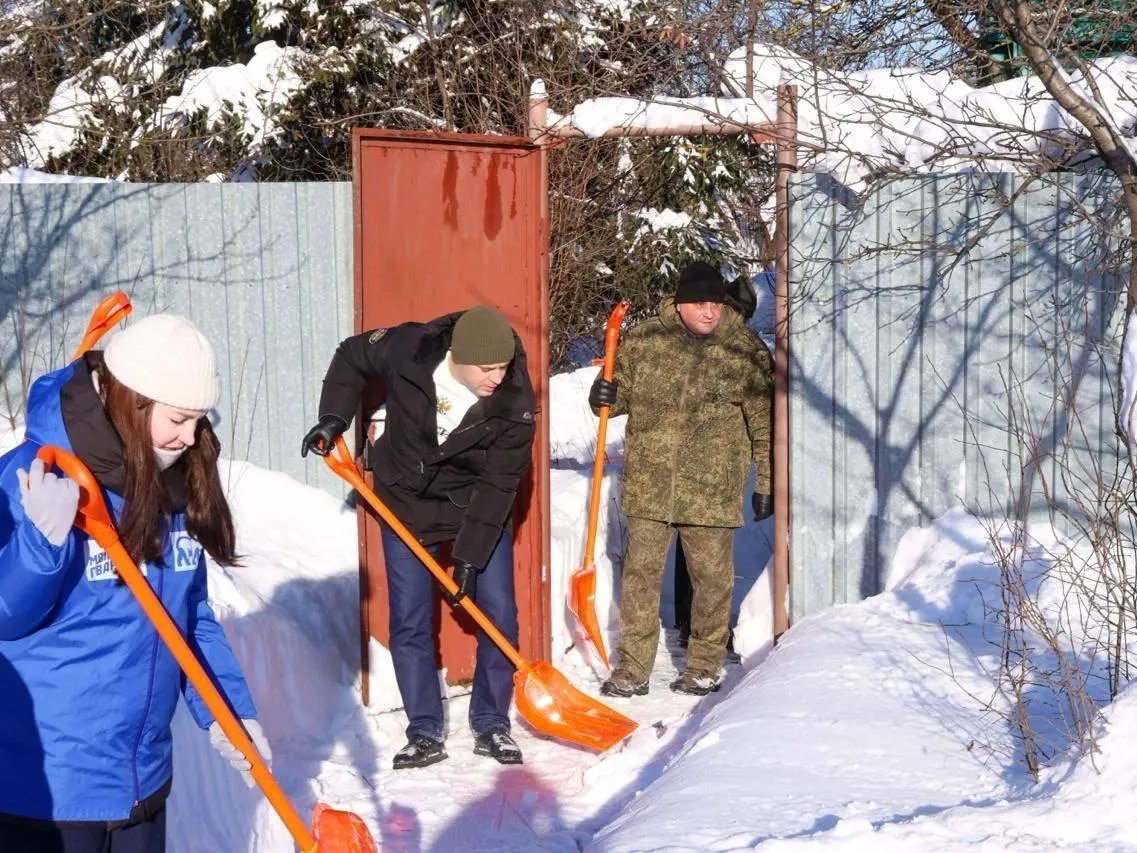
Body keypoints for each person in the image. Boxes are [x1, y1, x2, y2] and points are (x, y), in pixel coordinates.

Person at [0, 314, 266, 852]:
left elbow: (186, 619)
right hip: (48, 794)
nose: (190, 438)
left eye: (198, 421)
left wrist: (231, 713)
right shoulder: (32, 475)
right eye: (178, 418)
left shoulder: (168, 483)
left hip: (143, 782)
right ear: (132, 399)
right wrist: (40, 548)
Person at [302, 305, 535, 769]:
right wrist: (334, 417)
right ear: (457, 355)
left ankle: (491, 722)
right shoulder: (410, 347)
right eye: (487, 368)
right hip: (405, 500)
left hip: (475, 505)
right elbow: (350, 355)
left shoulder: (514, 401)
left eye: (503, 366)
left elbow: (499, 485)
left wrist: (468, 558)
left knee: (500, 614)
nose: (497, 376)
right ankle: (425, 730)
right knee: (409, 617)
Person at [591, 262, 774, 697]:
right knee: (639, 578)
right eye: (700, 303)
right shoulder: (645, 341)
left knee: (712, 580)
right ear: (679, 303)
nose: (710, 312)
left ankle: (704, 664)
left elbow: (765, 424)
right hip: (650, 483)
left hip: (712, 488)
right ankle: (633, 668)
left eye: (716, 303)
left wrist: (766, 482)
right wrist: (602, 394)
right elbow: (617, 399)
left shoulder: (745, 351)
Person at [673, 273, 761, 651]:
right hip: (696, 461)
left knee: (703, 551)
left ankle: (695, 626)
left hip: (719, 463)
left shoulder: (737, 349)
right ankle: (696, 627)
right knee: (703, 553)